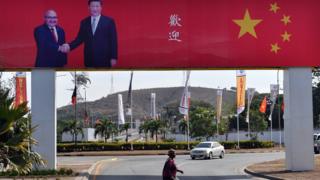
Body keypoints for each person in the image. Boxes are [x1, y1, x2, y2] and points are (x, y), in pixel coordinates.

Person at [61, 0, 118, 68]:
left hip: (104, 59)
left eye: (97, 6)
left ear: (101, 7)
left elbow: (113, 41)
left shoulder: (109, 21)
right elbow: (79, 39)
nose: (95, 9)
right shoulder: (84, 22)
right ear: (89, 7)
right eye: (92, 6)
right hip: (89, 59)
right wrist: (69, 46)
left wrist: (113, 57)